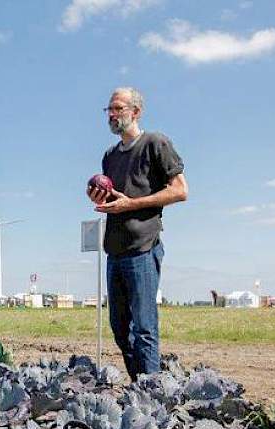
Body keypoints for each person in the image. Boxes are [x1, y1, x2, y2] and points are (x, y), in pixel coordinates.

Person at [87, 87, 188, 381]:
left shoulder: (155, 143)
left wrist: (132, 204)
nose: (112, 114)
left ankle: (153, 394)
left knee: (144, 327)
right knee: (120, 328)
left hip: (143, 247)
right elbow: (115, 199)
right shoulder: (109, 156)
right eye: (109, 109)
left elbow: (180, 190)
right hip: (115, 250)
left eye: (118, 108)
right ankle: (140, 384)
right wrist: (99, 198)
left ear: (136, 112)